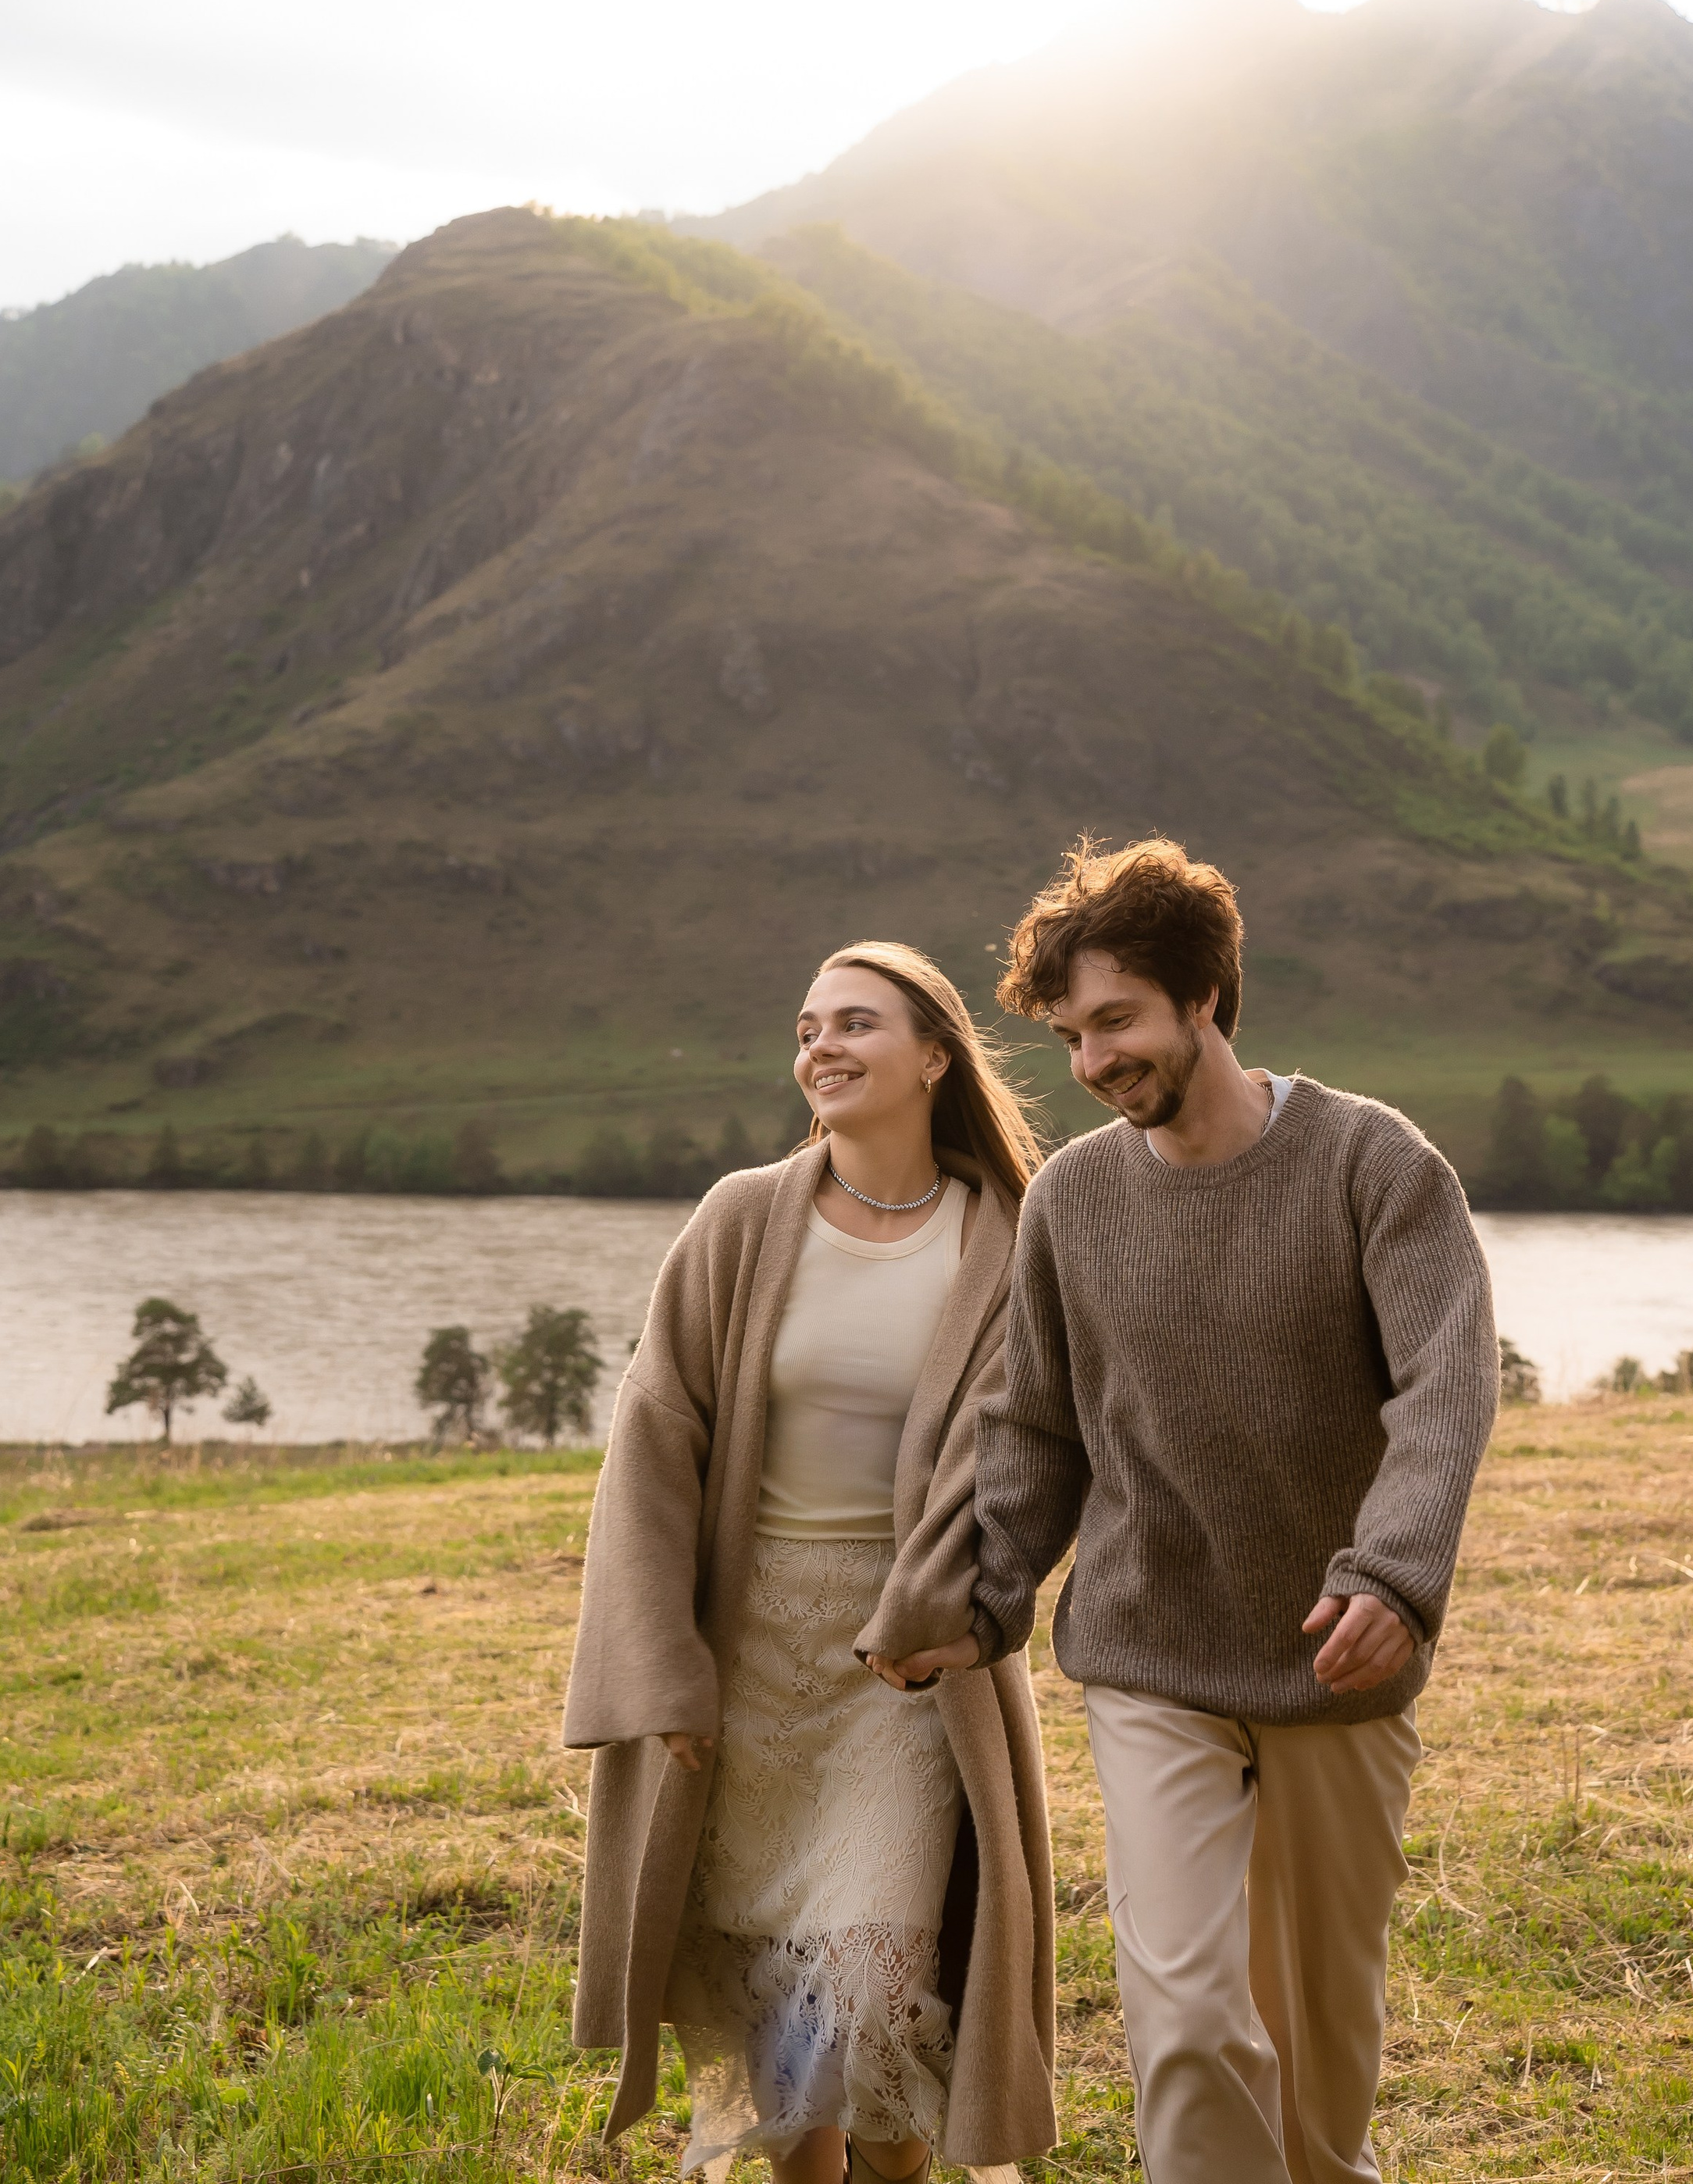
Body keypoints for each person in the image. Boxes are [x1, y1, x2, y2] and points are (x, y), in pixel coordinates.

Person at [880, 838, 1499, 2184]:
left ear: (1205, 997)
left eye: (1118, 1020)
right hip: (1152, 1654)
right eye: (1071, 1035)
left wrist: (1392, 1579)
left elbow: (1446, 1389)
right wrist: (979, 1602)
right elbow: (1036, 1430)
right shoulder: (1075, 1202)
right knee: (1188, 2016)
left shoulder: (1371, 1164)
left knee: (1322, 2048)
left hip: (1339, 1657)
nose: (1095, 1061)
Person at [562, 940, 1057, 2184]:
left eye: (855, 1024)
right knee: (785, 1999)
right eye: (805, 1028)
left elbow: (1046, 1448)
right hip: (750, 1657)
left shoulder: (1008, 1235)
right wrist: (663, 1664)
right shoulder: (742, 1218)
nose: (820, 1048)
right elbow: (655, 1430)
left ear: (934, 1055)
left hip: (906, 1665)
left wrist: (986, 1609)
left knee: (878, 1985)